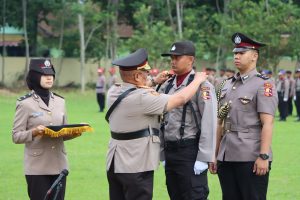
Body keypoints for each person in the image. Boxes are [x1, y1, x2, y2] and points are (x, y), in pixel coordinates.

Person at [105, 48, 208, 200]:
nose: (149, 75)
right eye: (145, 73)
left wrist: (154, 81)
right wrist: (198, 80)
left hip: (115, 164)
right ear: (137, 75)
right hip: (136, 164)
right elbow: (179, 99)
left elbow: (135, 87)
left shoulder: (114, 91)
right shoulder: (142, 98)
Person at [210, 32, 278, 200]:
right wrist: (214, 154)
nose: (236, 56)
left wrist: (263, 156)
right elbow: (220, 122)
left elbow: (268, 123)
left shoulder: (264, 84)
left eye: (241, 53)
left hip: (250, 155)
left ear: (254, 56)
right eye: (235, 53)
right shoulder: (227, 84)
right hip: (226, 154)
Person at [12, 58, 81, 200]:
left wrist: (75, 132)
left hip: (59, 166)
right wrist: (34, 132)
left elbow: (62, 131)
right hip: (37, 168)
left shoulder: (60, 101)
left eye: (51, 74)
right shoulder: (25, 104)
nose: (49, 77)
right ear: (35, 76)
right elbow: (16, 136)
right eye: (44, 74)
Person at [160, 41, 217, 200]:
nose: (173, 61)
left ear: (190, 60)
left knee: (193, 195)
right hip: (170, 151)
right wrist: (162, 154)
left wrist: (203, 158)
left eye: (177, 57)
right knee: (175, 194)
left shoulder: (202, 85)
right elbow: (162, 120)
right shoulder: (168, 84)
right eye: (171, 57)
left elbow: (209, 122)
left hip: (190, 151)